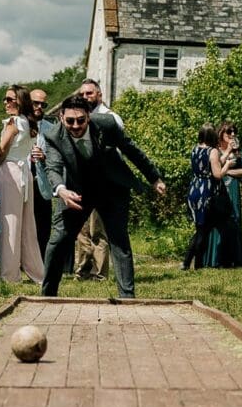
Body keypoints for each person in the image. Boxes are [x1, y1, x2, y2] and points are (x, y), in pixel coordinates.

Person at [40, 94, 166, 298]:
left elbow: (131, 150)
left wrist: (154, 178)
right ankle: (47, 296)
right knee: (58, 239)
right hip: (76, 192)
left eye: (80, 120)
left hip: (111, 189)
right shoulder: (54, 136)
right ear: (61, 117)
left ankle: (127, 297)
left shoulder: (106, 124)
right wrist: (61, 190)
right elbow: (53, 168)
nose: (75, 125)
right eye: (70, 121)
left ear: (89, 116)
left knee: (119, 241)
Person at [0, 84, 45, 284]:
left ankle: (9, 274)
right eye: (5, 99)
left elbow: (2, 149)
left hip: (10, 171)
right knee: (27, 226)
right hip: (25, 174)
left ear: (20, 102)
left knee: (9, 223)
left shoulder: (13, 122)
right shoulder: (29, 123)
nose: (6, 102)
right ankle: (37, 271)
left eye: (10, 99)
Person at [73, 79, 120, 280]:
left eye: (89, 93)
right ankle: (82, 272)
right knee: (81, 230)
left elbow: (118, 151)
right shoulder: (78, 119)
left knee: (98, 231)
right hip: (80, 181)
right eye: (82, 94)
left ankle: (100, 273)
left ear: (99, 94)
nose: (85, 97)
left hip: (102, 182)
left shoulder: (111, 118)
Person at [206, 121, 242, 268]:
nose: (232, 135)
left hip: (233, 189)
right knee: (218, 222)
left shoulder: (238, 152)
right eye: (228, 132)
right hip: (218, 189)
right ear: (221, 134)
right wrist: (224, 166)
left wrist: (227, 171)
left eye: (234, 132)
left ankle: (235, 259)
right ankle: (216, 259)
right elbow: (213, 170)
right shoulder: (215, 151)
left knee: (234, 219)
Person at [183, 124, 226, 270]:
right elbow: (217, 174)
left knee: (201, 227)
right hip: (205, 191)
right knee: (203, 229)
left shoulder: (195, 149)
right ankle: (190, 263)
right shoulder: (212, 151)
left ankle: (194, 262)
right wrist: (227, 166)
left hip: (194, 189)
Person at [28, 89, 53, 253]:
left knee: (43, 225)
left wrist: (44, 157)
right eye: (35, 103)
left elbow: (58, 157)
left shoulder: (52, 129)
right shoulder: (18, 125)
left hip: (42, 182)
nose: (39, 107)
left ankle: (42, 262)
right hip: (23, 179)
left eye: (43, 104)